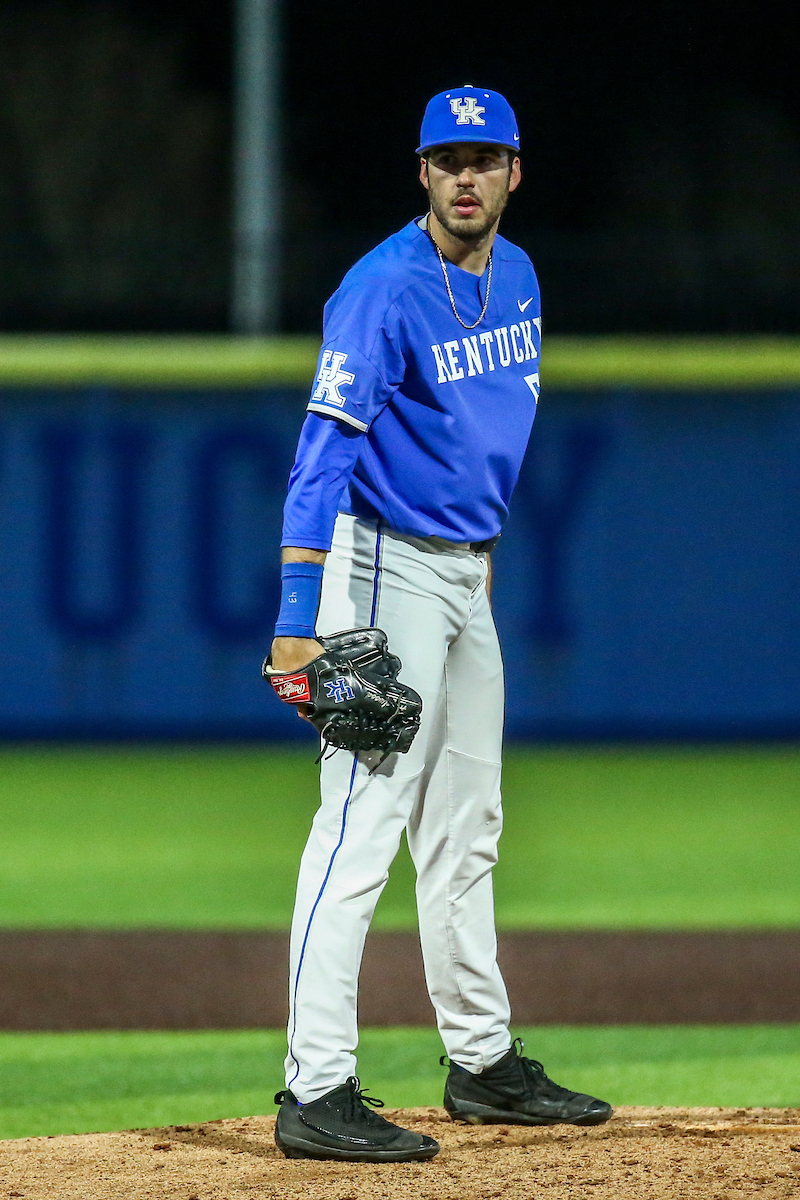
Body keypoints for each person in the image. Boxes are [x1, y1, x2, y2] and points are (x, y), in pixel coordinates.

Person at [268, 85, 612, 1163]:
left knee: (468, 824)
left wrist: (479, 565)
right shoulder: (378, 290)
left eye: (485, 158)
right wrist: (295, 618)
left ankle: (480, 1061)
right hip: (381, 570)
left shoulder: (518, 276)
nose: (466, 177)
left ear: (515, 172)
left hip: (466, 576)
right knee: (361, 826)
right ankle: (314, 1087)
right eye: (447, 159)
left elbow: (480, 443)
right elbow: (321, 452)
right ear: (421, 172)